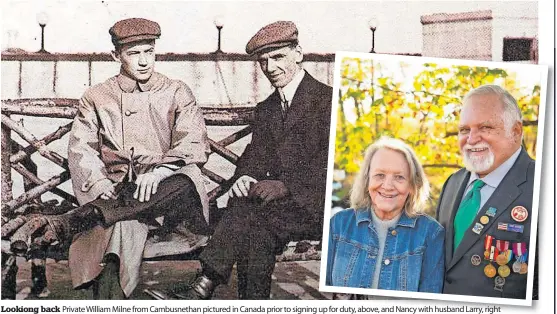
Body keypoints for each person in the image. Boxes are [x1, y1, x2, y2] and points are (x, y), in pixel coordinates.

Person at [11, 18, 212, 299]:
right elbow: (82, 150)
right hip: (116, 195)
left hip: (167, 200)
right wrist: (97, 183)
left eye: (149, 51)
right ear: (116, 56)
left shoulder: (176, 91)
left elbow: (193, 143)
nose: (144, 61)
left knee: (183, 178)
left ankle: (84, 217)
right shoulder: (97, 96)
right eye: (134, 53)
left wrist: (159, 171)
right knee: (119, 232)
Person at [144, 20, 332, 300]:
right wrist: (244, 176)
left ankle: (204, 285)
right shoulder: (267, 108)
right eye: (263, 61)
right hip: (278, 210)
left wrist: (287, 186)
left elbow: (339, 162)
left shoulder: (329, 100)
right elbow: (255, 156)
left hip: (319, 205)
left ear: (298, 53)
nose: (270, 68)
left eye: (278, 57)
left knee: (252, 220)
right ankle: (231, 295)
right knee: (252, 219)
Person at [436, 84, 537, 299]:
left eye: (485, 128)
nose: (471, 139)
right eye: (464, 130)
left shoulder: (543, 186)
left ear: (516, 131)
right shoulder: (452, 184)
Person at [326, 137, 444, 292]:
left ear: (412, 186)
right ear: (367, 180)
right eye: (380, 175)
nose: (387, 186)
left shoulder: (431, 234)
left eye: (399, 177)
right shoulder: (338, 225)